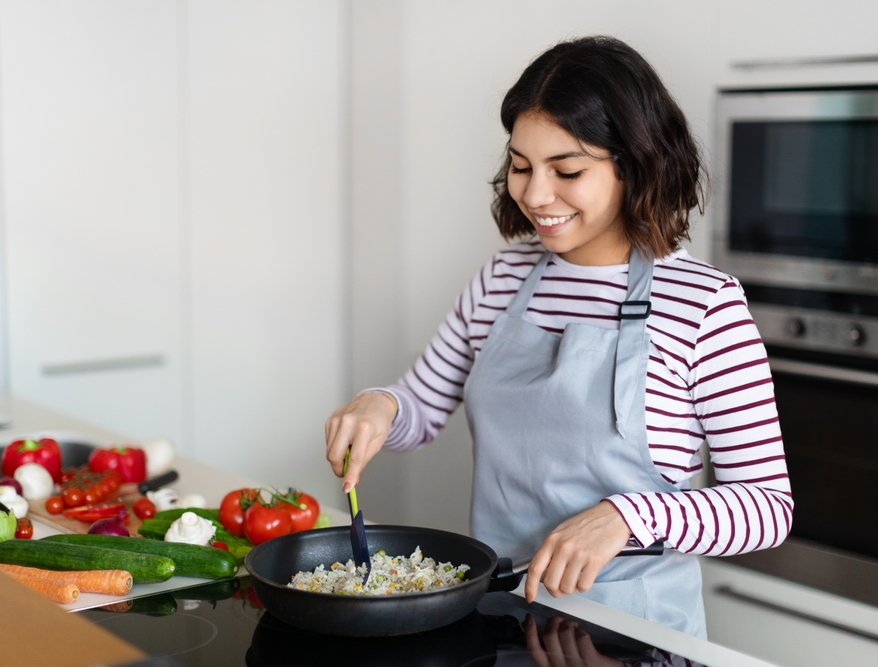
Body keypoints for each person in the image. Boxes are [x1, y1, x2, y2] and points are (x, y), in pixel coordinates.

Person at [324, 35, 792, 638]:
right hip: (497, 613)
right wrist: (379, 405)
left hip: (633, 631)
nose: (535, 195)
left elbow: (766, 507)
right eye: (520, 166)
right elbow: (421, 408)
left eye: (566, 170)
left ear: (637, 164)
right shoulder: (504, 276)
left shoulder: (704, 305)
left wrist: (629, 514)